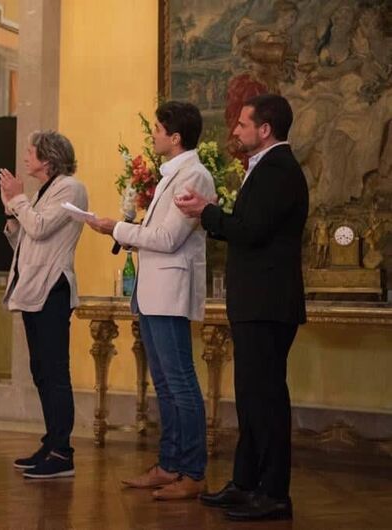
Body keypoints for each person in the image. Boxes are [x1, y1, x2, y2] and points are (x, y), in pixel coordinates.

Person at [174, 94, 308, 521]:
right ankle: (246, 483)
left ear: (264, 129)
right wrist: (212, 213)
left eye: (243, 124)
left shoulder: (279, 170)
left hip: (268, 302)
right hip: (257, 301)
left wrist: (206, 212)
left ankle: (273, 493)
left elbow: (250, 231)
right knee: (251, 398)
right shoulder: (267, 169)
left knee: (265, 399)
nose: (235, 131)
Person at [87, 101, 214, 500]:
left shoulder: (194, 176)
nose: (153, 135)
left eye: (158, 129)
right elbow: (158, 232)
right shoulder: (170, 175)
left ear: (175, 138)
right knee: (164, 383)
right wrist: (123, 229)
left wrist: (117, 229)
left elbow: (167, 239)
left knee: (181, 384)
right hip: (154, 292)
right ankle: (169, 464)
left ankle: (192, 472)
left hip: (171, 294)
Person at [0, 130, 88, 479]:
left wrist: (18, 200)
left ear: (48, 159)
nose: (25, 156)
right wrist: (11, 207)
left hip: (53, 289)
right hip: (35, 289)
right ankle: (50, 441)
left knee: (55, 372)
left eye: (31, 152)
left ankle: (62, 452)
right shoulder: (42, 192)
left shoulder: (70, 188)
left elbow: (38, 228)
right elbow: (26, 241)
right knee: (41, 371)